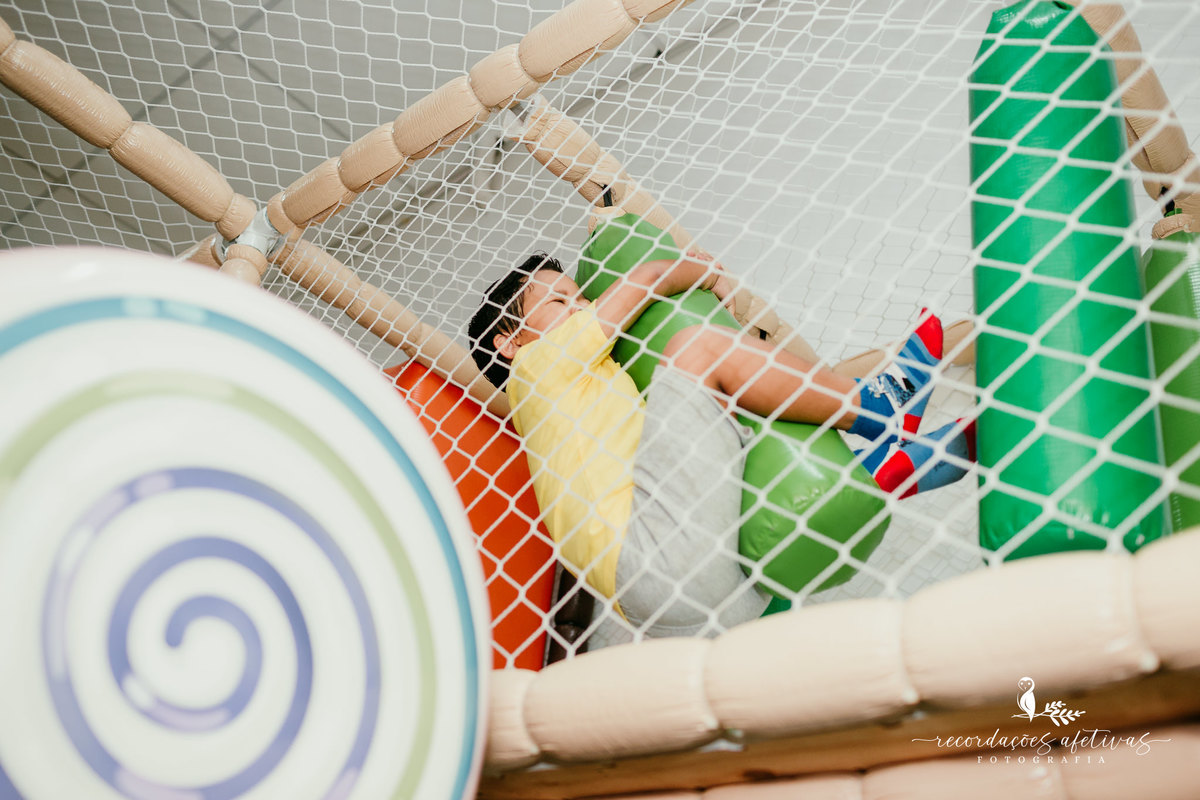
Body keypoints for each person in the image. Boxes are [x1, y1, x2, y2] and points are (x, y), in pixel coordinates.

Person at [468, 249, 973, 638]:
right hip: (655, 561)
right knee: (696, 348)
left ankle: (876, 471)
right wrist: (702, 271)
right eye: (560, 301)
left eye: (580, 297)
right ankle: (875, 409)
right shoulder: (534, 368)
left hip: (685, 609)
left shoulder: (563, 407)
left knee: (717, 413)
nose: (582, 306)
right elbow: (643, 281)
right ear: (509, 343)